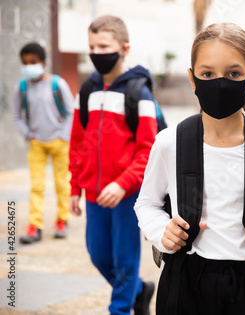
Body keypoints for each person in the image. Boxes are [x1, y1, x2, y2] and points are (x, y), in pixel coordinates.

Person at [134, 23, 245, 315]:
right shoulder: (169, 143)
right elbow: (147, 203)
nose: (219, 83)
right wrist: (159, 232)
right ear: (192, 79)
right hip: (184, 281)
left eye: (233, 74)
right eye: (207, 74)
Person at [68, 15, 155, 315]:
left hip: (126, 195)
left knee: (126, 259)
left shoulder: (139, 94)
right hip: (93, 194)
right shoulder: (87, 91)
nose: (96, 52)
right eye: (92, 46)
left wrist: (123, 183)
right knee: (99, 256)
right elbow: (77, 144)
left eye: (103, 46)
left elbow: (148, 151)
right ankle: (140, 290)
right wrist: (74, 187)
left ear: (124, 49)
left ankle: (120, 309)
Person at [13, 42, 74, 243]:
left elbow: (70, 112)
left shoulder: (58, 84)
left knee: (61, 184)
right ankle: (35, 226)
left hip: (59, 142)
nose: (29, 66)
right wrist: (28, 134)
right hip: (36, 144)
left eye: (33, 62)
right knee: (37, 186)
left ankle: (62, 220)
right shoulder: (21, 88)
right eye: (25, 63)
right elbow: (17, 116)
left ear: (44, 63)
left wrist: (63, 136)